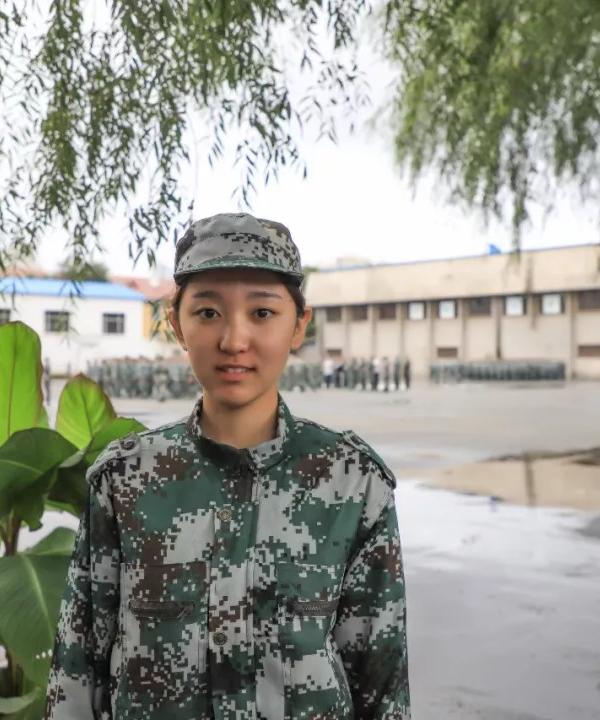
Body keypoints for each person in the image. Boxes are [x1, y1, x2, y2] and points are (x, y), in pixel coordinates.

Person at [45, 213, 411, 720]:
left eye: (262, 313)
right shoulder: (125, 481)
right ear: (176, 323)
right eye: (209, 312)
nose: (234, 340)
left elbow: (381, 682)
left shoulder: (351, 482)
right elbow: (77, 673)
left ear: (298, 326)